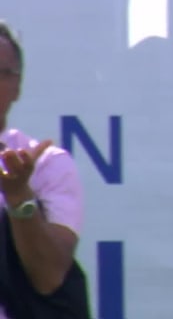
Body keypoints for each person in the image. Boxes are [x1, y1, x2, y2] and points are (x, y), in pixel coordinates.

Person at [0, 21, 87, 318]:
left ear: (18, 86)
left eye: (3, 73)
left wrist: (19, 198)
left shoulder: (47, 165)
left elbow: (49, 277)